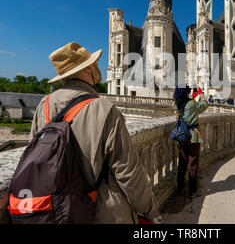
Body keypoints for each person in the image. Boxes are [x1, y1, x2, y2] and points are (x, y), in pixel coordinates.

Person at [30, 42, 162, 224]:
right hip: (100, 212)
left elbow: (35, 158)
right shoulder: (104, 109)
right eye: (94, 63)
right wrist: (151, 212)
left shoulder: (43, 106)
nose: (98, 67)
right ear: (85, 70)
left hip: (56, 210)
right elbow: (128, 173)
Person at [173, 85, 208, 198]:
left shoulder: (178, 104)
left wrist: (193, 98)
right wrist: (201, 94)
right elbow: (204, 105)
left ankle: (180, 188)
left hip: (181, 137)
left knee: (182, 163)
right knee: (193, 163)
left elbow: (188, 110)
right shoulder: (191, 104)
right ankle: (193, 191)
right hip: (193, 137)